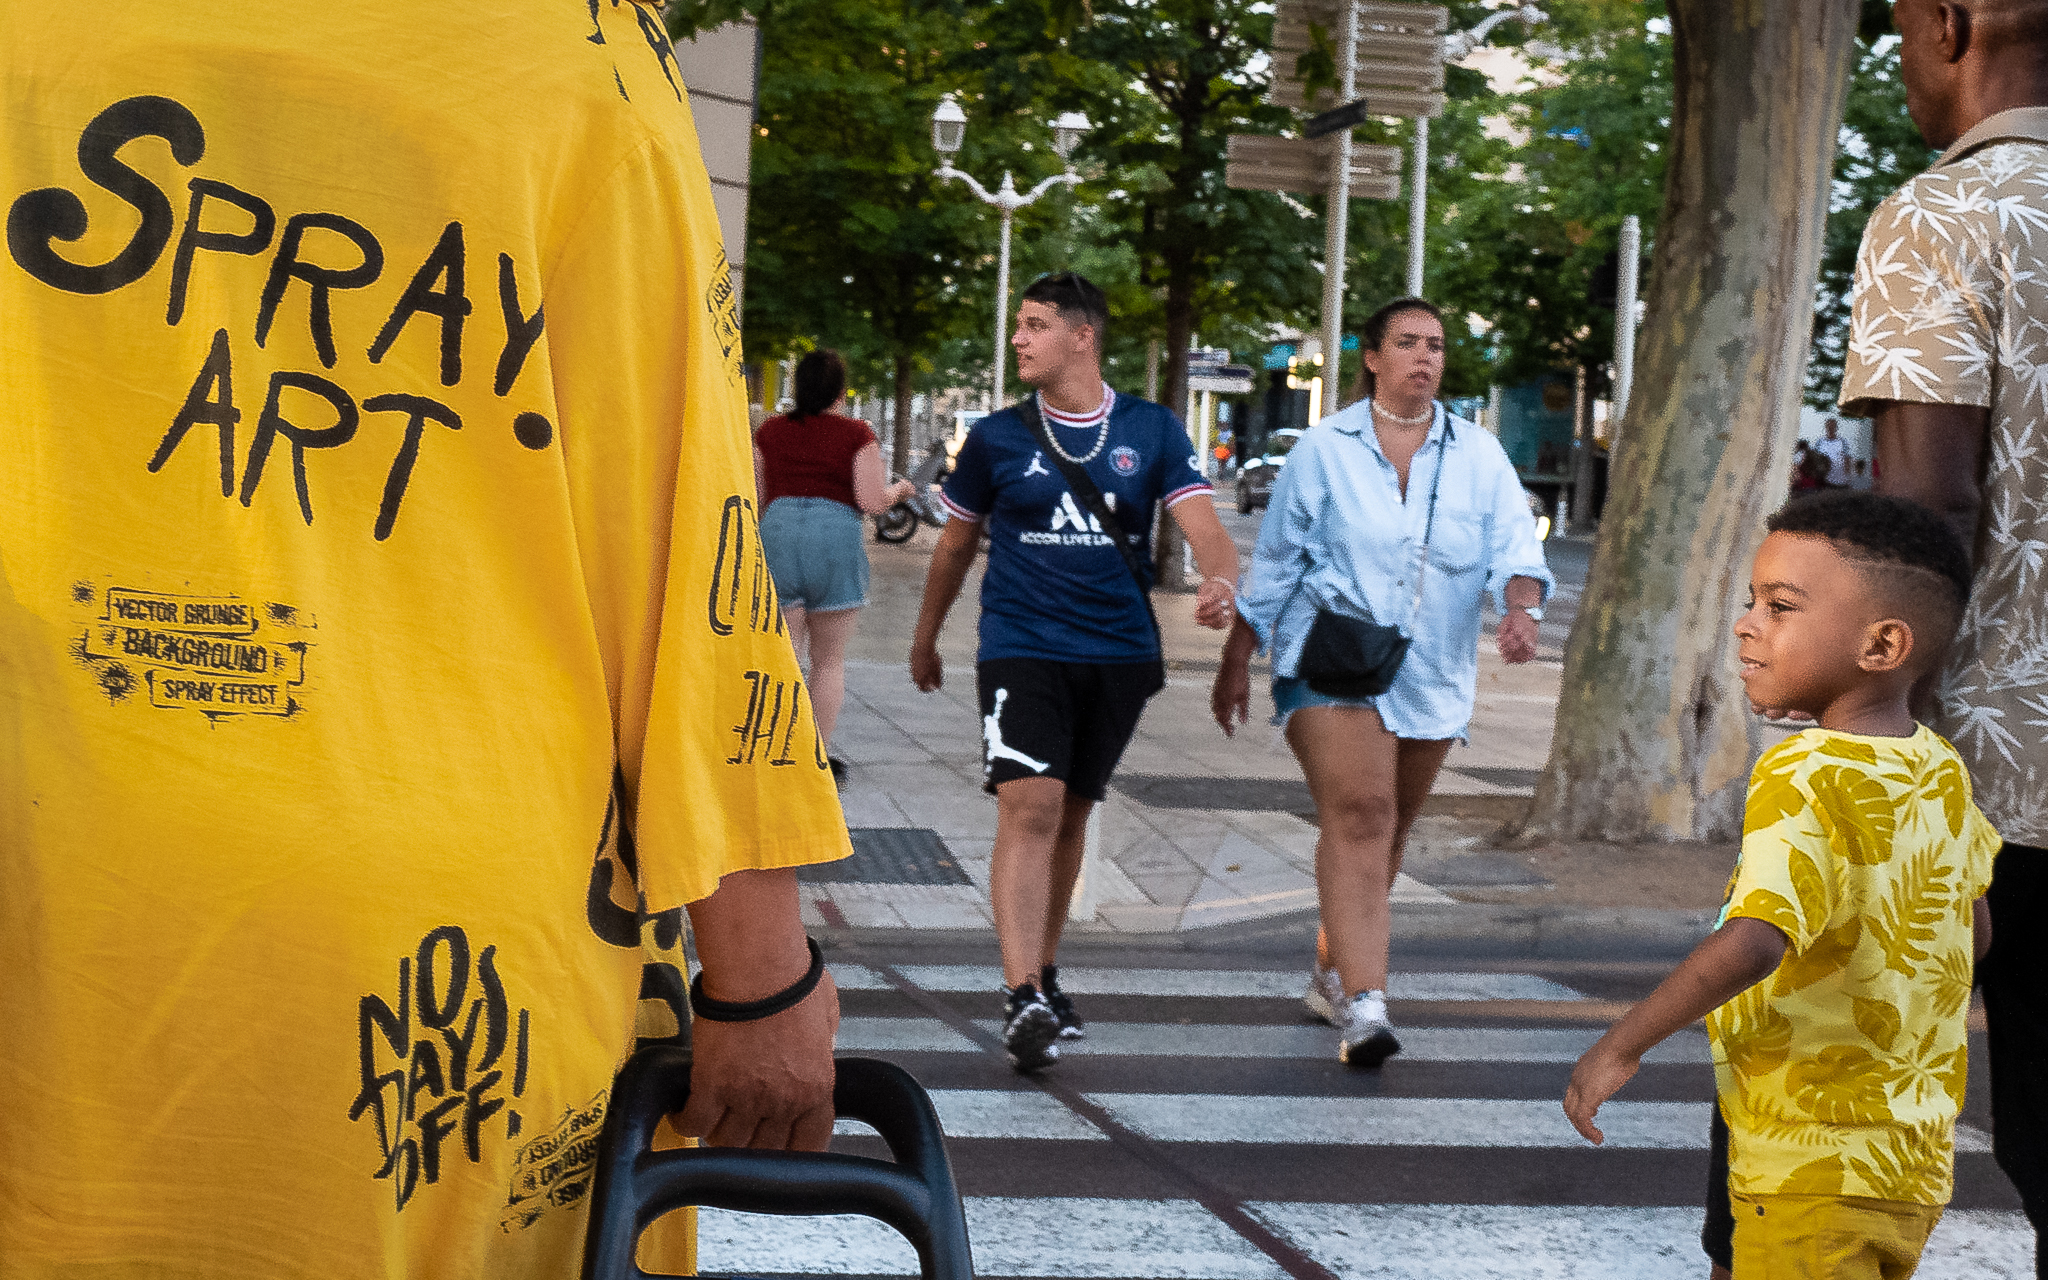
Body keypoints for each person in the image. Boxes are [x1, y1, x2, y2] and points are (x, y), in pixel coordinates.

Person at [0, 4, 847, 1277]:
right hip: (432, 943)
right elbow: (684, 542)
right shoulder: (571, 47)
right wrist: (761, 971)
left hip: (55, 878)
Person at [1568, 491, 1998, 1280]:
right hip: (1908, 1158)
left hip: (1798, 1148)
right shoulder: (1939, 768)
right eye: (1751, 601)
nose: (1747, 623)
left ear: (1882, 644)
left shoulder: (1804, 771)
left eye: (1781, 606)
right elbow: (1974, 931)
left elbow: (1758, 938)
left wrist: (1621, 1044)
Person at [1833, 2, 2048, 1271]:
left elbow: (1925, 507)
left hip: (1974, 775)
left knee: (1814, 1118)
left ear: (1948, 25)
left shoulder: (1941, 213)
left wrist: (1838, 708)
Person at [908, 272, 1238, 1072]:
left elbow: (1203, 526)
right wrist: (927, 638)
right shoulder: (995, 437)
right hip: (1022, 644)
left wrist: (1222, 582)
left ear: (1081, 337)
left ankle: (1045, 976)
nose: (1018, 339)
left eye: (1035, 325)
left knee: (1072, 816)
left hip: (1119, 654)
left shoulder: (1151, 429)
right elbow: (954, 545)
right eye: (1019, 325)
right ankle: (1021, 993)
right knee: (1031, 806)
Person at [1212, 298, 1552, 1067]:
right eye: (1407, 343)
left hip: (1431, 668)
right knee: (1363, 810)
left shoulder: (1479, 455)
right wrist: (1239, 655)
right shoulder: (1323, 450)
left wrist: (1522, 609)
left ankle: (1331, 969)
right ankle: (1368, 1006)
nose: (1424, 358)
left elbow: (1514, 548)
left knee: (1386, 830)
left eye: (1435, 345)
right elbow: (1277, 562)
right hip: (1325, 654)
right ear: (1372, 357)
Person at [755, 349, 916, 782]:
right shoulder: (856, 434)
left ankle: (774, 749)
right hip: (834, 536)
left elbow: (756, 493)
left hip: (779, 533)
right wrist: (902, 490)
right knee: (828, 662)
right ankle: (815, 758)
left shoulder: (769, 432)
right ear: (841, 393)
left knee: (782, 657)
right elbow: (870, 502)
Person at [1814, 417, 1853, 488]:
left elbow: (1847, 459)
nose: (1831, 429)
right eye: (1829, 427)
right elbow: (1816, 459)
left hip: (1840, 480)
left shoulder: (1842, 442)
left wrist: (1848, 476)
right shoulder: (1820, 442)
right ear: (1826, 428)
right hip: (1824, 480)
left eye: (1833, 426)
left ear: (1836, 428)